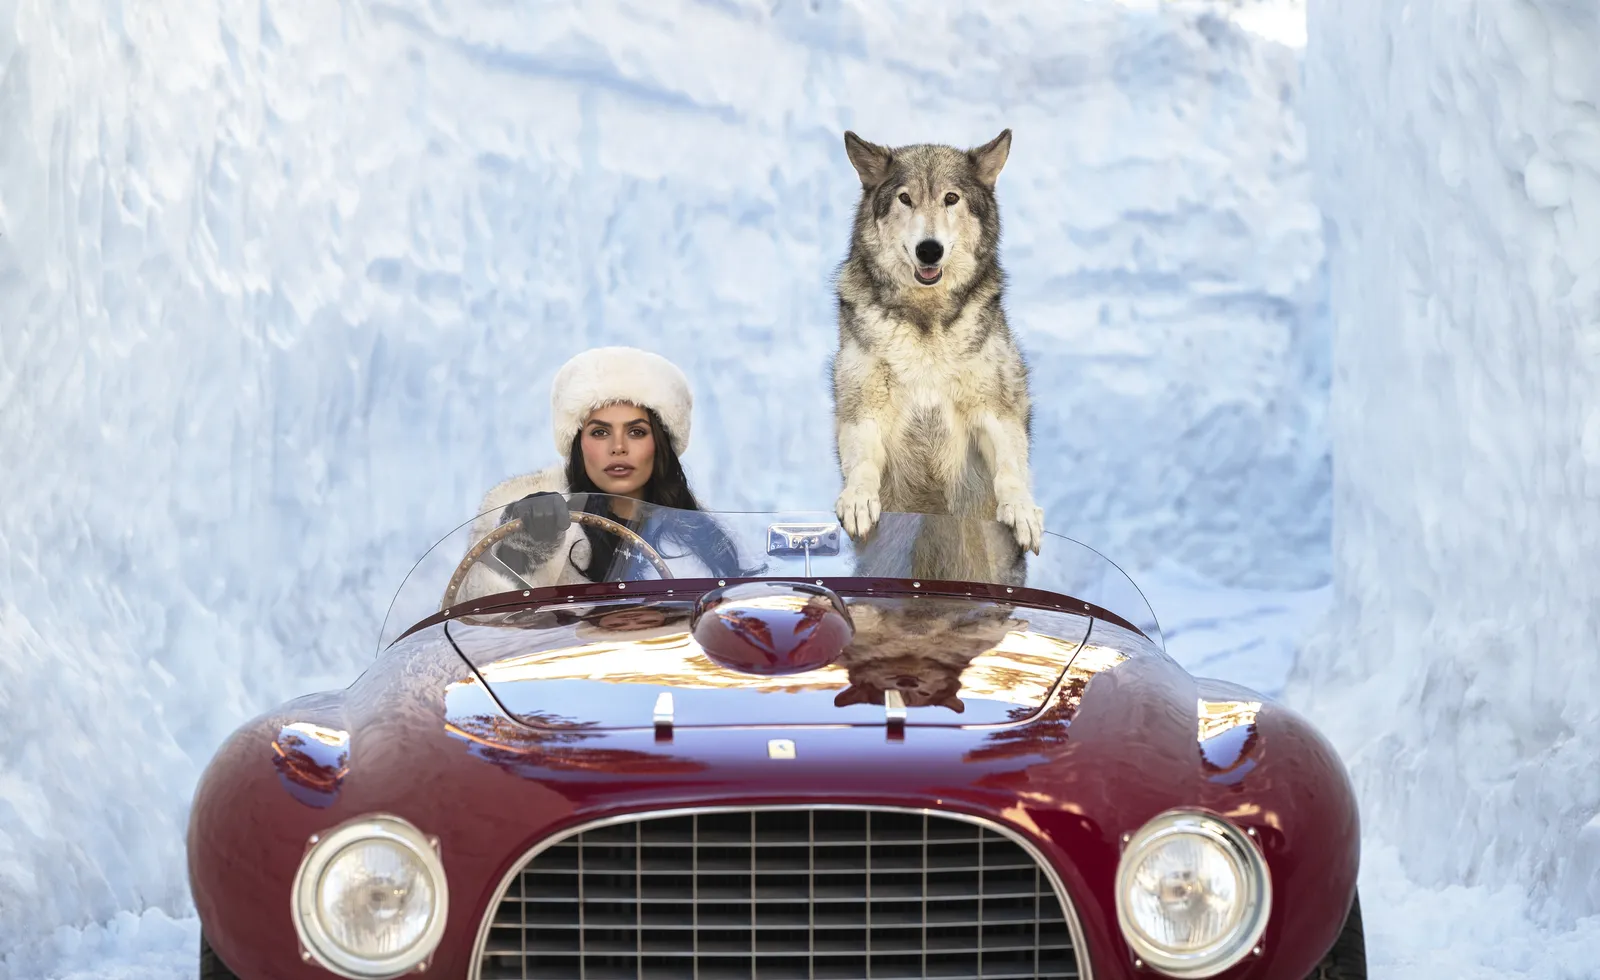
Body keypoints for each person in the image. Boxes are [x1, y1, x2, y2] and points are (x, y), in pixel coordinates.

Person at [453, 346, 750, 603]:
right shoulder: (525, 512)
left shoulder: (697, 537)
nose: (618, 447)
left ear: (659, 445)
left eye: (636, 432)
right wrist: (524, 545)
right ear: (578, 444)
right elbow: (481, 622)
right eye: (600, 432)